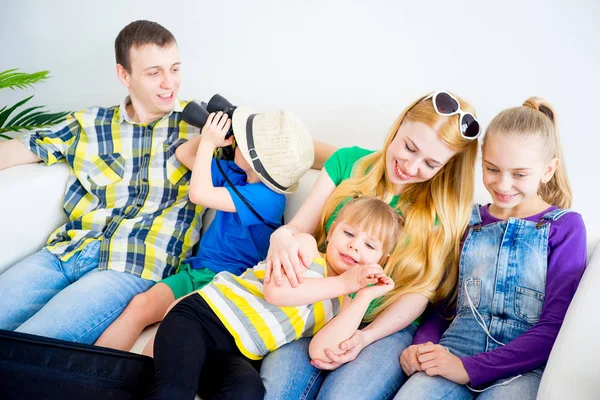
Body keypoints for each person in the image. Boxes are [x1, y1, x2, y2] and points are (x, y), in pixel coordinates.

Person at [261, 90, 481, 399]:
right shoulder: (347, 163)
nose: (411, 166)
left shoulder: (442, 214)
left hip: (385, 326)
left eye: (430, 164)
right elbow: (300, 227)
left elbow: (418, 295)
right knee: (278, 392)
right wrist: (281, 236)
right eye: (409, 147)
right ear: (399, 124)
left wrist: (364, 338)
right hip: (320, 304)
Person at [0, 20, 205, 344]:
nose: (170, 84)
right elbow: (12, 151)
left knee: (27, 345)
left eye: (175, 69)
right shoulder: (89, 124)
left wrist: (319, 164)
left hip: (133, 265)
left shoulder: (201, 128)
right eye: (155, 73)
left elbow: (280, 144)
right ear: (125, 75)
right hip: (64, 253)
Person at [395, 97, 587, 399]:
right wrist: (423, 345)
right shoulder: (467, 220)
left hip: (521, 367)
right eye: (492, 169)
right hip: (453, 350)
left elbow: (554, 326)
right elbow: (443, 305)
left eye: (519, 174)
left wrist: (470, 369)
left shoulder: (566, 227)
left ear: (548, 170)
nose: (503, 184)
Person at [95, 107, 314, 353]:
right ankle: (90, 377)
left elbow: (199, 194)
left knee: (173, 321)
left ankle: (136, 384)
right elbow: (184, 153)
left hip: (227, 285)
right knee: (140, 305)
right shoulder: (236, 173)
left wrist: (211, 143)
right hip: (196, 271)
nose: (237, 142)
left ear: (256, 159)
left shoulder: (270, 200)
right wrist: (214, 131)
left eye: (243, 140)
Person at [146, 196, 403, 400]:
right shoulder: (305, 248)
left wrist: (363, 297)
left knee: (247, 392)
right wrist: (343, 282)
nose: (355, 246)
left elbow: (320, 350)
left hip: (238, 353)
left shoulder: (345, 304)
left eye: (370, 246)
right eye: (349, 234)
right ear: (333, 231)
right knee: (174, 392)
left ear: (382, 260)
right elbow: (276, 292)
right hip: (203, 318)